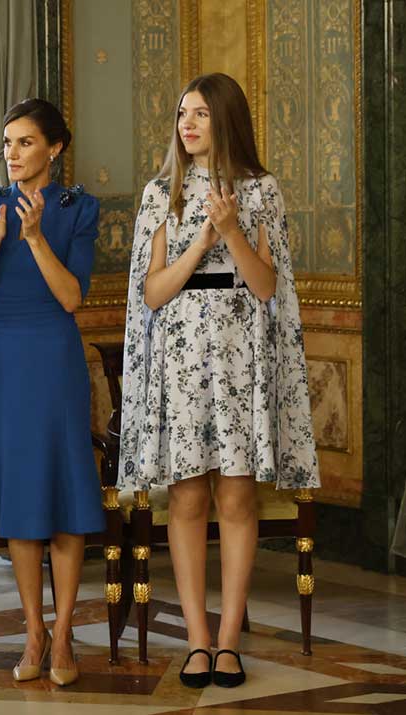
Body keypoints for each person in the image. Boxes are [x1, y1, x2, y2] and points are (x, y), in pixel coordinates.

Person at [118, 73, 319, 689]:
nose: (188, 123)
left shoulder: (262, 190)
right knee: (186, 498)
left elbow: (267, 288)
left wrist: (230, 230)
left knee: (235, 497)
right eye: (183, 113)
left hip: (239, 360)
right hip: (179, 361)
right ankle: (197, 643)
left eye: (201, 113)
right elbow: (150, 294)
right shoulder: (160, 193)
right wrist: (200, 240)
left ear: (225, 118)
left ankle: (229, 642)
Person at [0, 98, 105, 686]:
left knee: (63, 496)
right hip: (6, 356)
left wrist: (36, 236)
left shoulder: (78, 209)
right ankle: (34, 631)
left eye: (24, 142)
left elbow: (72, 297)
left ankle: (65, 634)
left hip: (54, 356)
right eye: (7, 143)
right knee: (23, 499)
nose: (12, 154)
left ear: (55, 148)